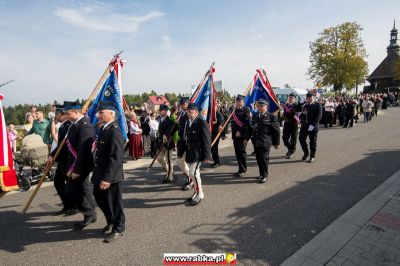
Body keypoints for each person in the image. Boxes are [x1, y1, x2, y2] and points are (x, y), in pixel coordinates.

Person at [92, 101, 125, 243]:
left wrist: (108, 178)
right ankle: (111, 220)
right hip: (101, 171)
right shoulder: (105, 128)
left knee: (114, 202)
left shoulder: (115, 130)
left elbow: (116, 157)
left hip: (110, 175)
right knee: (98, 196)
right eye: (99, 112)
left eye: (101, 112)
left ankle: (118, 228)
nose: (98, 115)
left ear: (111, 114)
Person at [63, 101, 97, 230]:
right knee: (84, 189)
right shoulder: (74, 124)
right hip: (76, 163)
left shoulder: (85, 125)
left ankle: (89, 212)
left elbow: (84, 151)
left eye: (68, 113)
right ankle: (90, 214)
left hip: (82, 164)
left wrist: (76, 169)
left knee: (70, 191)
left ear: (76, 112)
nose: (66, 115)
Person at [47, 105, 77, 216]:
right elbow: (60, 145)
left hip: (67, 159)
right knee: (58, 183)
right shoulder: (64, 126)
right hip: (61, 159)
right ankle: (67, 205)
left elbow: (64, 146)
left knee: (69, 184)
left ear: (63, 115)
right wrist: (52, 155)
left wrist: (53, 155)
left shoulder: (69, 126)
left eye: (58, 114)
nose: (56, 117)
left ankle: (73, 206)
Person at [182, 103, 212, 205]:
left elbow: (206, 139)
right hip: (190, 152)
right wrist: (181, 151)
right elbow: (185, 138)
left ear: (196, 112)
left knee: (193, 173)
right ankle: (196, 192)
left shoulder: (201, 122)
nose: (189, 114)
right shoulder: (188, 122)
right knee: (193, 174)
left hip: (198, 152)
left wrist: (207, 155)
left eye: (191, 112)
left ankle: (200, 193)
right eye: (188, 112)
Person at [250, 100, 280, 183]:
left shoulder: (271, 116)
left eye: (261, 106)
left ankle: (264, 175)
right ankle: (261, 173)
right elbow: (251, 128)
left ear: (266, 107)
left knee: (263, 158)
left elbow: (276, 131)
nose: (259, 107)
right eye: (259, 106)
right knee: (258, 159)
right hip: (256, 141)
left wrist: (276, 143)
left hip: (266, 141)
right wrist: (246, 138)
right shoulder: (255, 115)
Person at [231, 95, 252, 177]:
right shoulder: (234, 110)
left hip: (242, 135)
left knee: (241, 152)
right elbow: (231, 120)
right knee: (237, 152)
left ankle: (243, 169)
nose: (237, 103)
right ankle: (240, 168)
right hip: (234, 135)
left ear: (243, 102)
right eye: (237, 101)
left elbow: (247, 122)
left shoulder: (246, 110)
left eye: (239, 101)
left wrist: (240, 131)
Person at [298, 93, 322, 163]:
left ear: (313, 97)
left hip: (313, 126)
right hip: (305, 125)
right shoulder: (306, 105)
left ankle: (312, 156)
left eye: (310, 97)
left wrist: (313, 125)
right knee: (301, 139)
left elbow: (319, 116)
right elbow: (303, 114)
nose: (309, 99)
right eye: (307, 98)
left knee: (312, 141)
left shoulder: (318, 104)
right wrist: (300, 118)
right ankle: (306, 153)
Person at [156, 104, 177, 183]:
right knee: (159, 158)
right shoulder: (160, 119)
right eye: (160, 110)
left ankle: (169, 176)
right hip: (161, 143)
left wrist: (166, 135)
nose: (160, 112)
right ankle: (169, 170)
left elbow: (174, 128)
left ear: (165, 111)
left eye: (161, 110)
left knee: (169, 160)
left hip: (168, 144)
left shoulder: (169, 120)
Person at [176, 98, 191, 190]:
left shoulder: (190, 114)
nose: (181, 106)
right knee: (180, 161)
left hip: (189, 142)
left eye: (183, 104)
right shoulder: (181, 113)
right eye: (181, 104)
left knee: (189, 162)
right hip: (181, 141)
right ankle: (190, 176)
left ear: (187, 104)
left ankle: (190, 180)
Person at [282, 93, 300, 159]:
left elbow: (295, 114)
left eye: (292, 98)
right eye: (289, 97)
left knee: (293, 139)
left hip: (294, 124)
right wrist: (284, 116)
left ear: (294, 99)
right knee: (284, 138)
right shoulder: (286, 105)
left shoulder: (297, 105)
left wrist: (289, 114)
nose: (290, 99)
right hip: (287, 123)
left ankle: (292, 152)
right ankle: (290, 148)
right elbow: (284, 113)